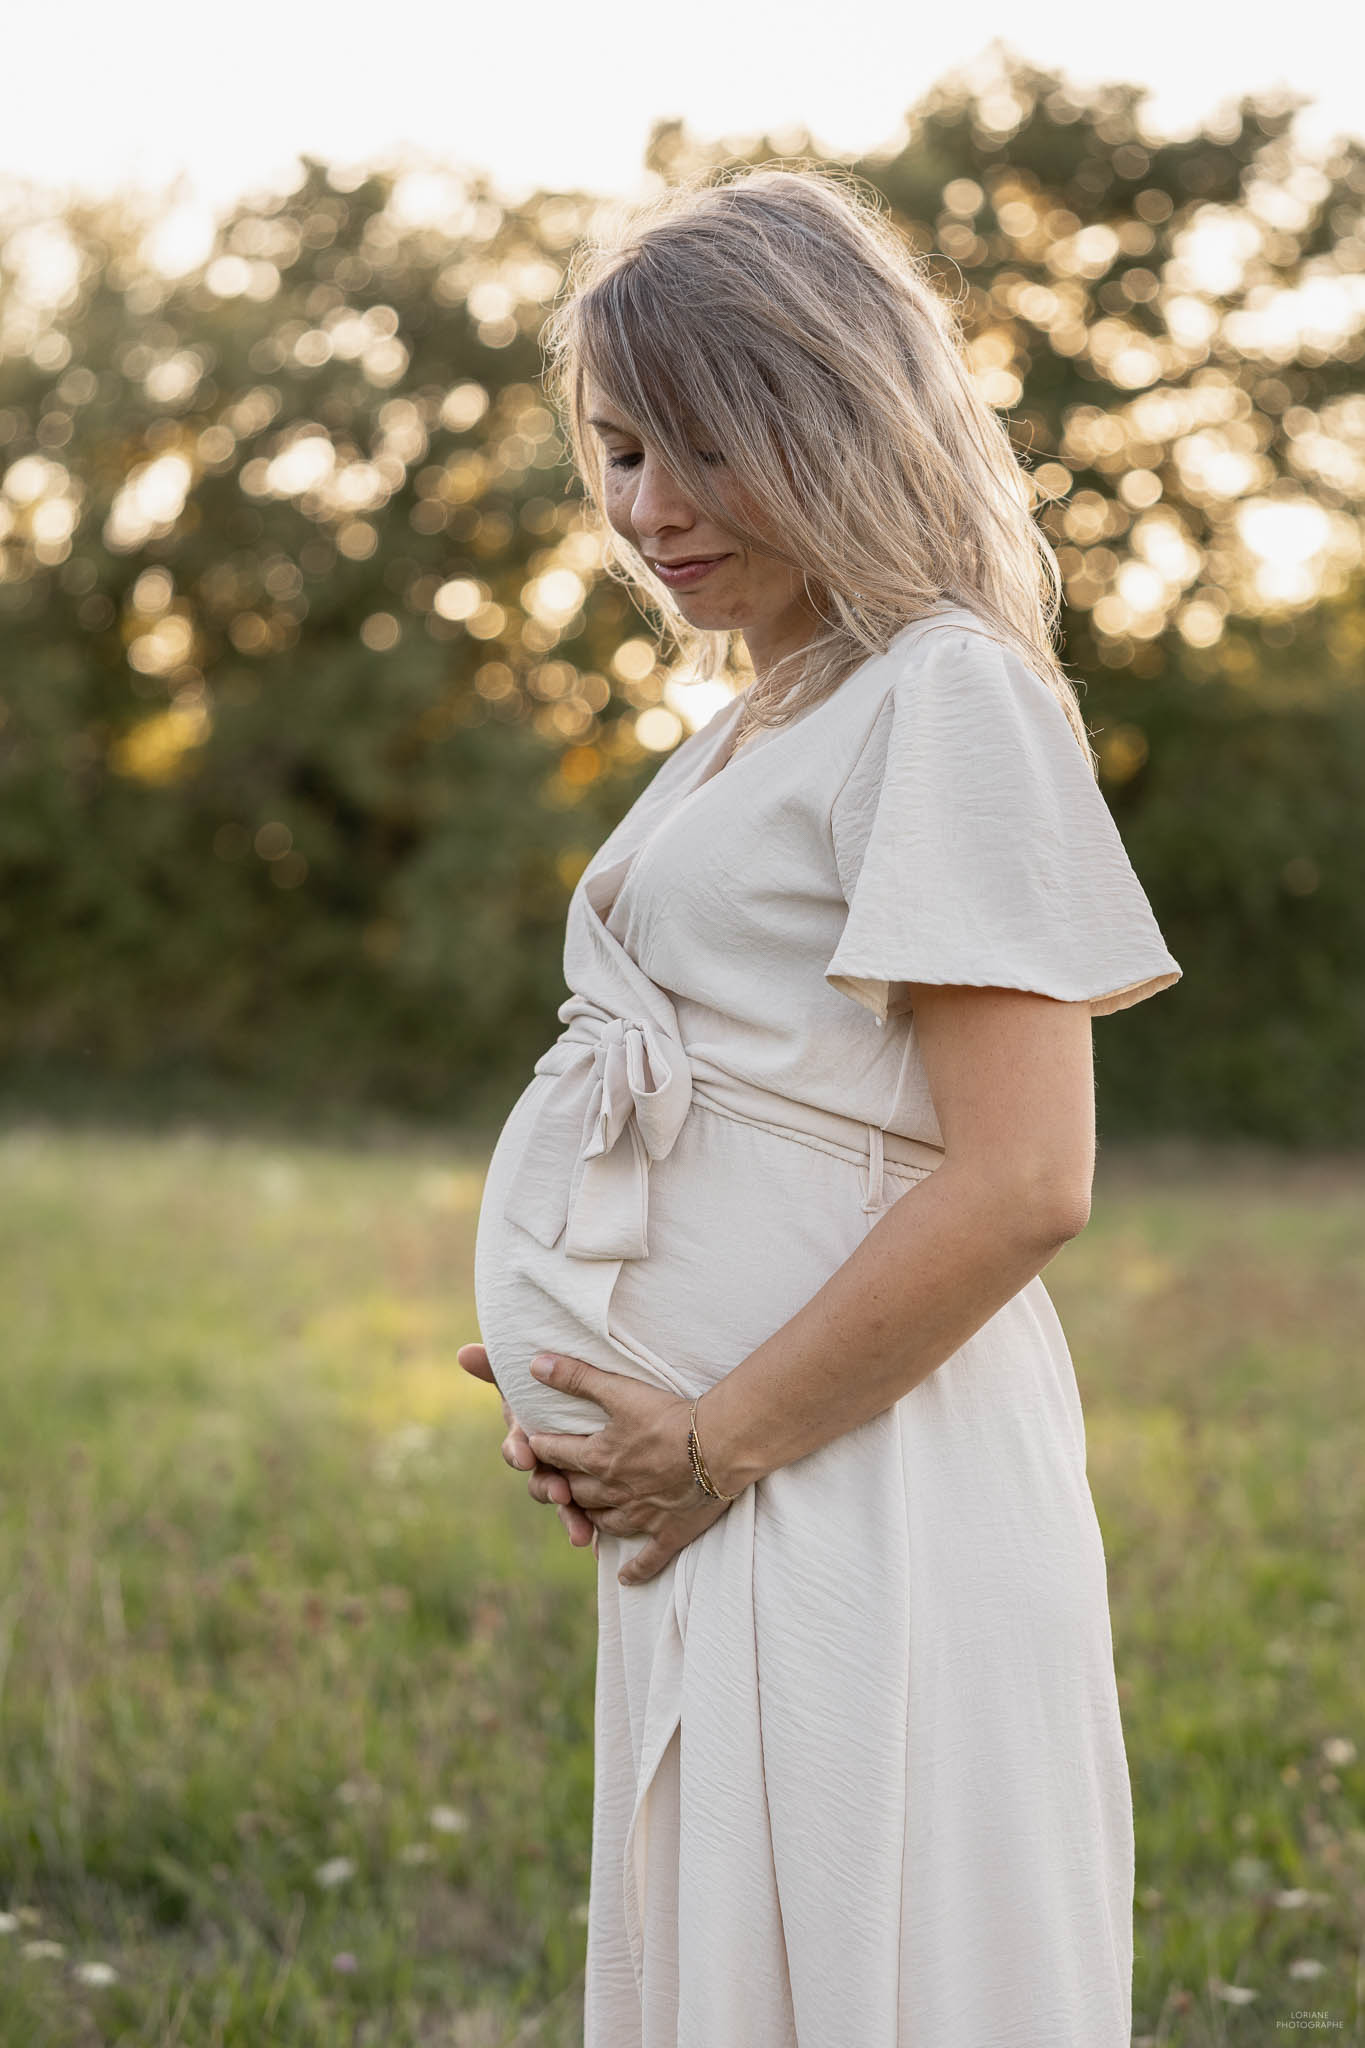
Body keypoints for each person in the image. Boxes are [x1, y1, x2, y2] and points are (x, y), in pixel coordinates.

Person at [456, 162, 1181, 2048]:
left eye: (699, 446)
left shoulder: (944, 690)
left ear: (834, 418)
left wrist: (712, 1433)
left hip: (851, 1463)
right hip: (737, 1472)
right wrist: (580, 1356)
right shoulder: (759, 713)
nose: (648, 509)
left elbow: (1025, 1175)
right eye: (616, 452)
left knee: (884, 1957)